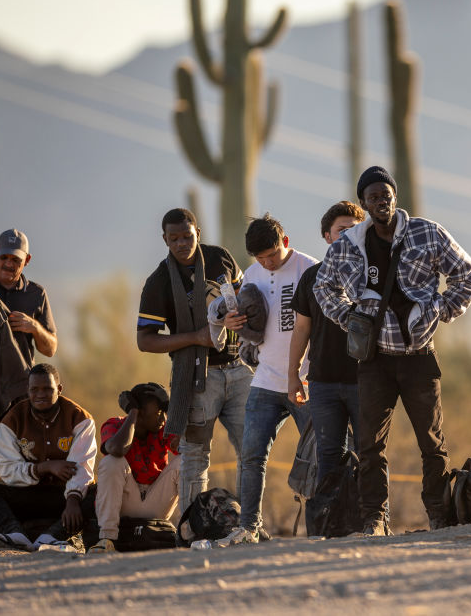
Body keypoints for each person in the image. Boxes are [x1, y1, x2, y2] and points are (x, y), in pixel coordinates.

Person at [314, 166, 471, 535]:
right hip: (375, 360)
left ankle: (438, 515)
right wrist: (349, 318)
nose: (381, 202)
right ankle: (374, 518)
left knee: (432, 443)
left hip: (420, 357)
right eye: (373, 197)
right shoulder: (347, 245)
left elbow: (468, 274)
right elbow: (323, 287)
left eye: (386, 195)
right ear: (363, 203)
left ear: (395, 197)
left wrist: (441, 309)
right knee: (370, 445)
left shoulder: (427, 233)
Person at [137, 208, 253, 512]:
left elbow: (245, 296)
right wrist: (196, 337)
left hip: (240, 368)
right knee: (195, 455)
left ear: (197, 234)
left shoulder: (220, 258)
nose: (181, 243)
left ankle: (249, 525)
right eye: (174, 238)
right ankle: (192, 527)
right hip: (198, 378)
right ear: (165, 239)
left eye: (187, 236)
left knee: (251, 450)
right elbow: (145, 340)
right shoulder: (159, 282)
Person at [217, 214, 317, 546]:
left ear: (284, 242)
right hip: (264, 381)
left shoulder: (309, 268)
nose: (267, 263)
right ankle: (249, 527)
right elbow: (246, 324)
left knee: (321, 454)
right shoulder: (252, 276)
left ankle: (325, 524)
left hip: (306, 381)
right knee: (251, 455)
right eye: (260, 258)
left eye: (272, 255)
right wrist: (232, 324)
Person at [288, 201, 364, 480]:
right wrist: (293, 375)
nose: (348, 236)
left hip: (366, 380)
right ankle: (329, 510)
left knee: (370, 454)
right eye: (341, 230)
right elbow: (301, 330)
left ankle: (374, 510)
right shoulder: (312, 277)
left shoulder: (375, 274)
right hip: (323, 383)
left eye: (355, 230)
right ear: (327, 236)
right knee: (328, 456)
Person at [0, 364, 96, 552]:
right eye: (34, 389)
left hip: (64, 497)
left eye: (47, 389)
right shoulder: (11, 420)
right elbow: (8, 471)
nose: (40, 395)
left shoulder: (80, 418)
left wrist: (73, 499)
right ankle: (14, 534)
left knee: (100, 492)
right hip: (26, 494)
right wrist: (44, 467)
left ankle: (52, 537)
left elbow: (82, 467)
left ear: (59, 389)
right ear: (27, 390)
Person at [0, 229, 58, 463]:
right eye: (4, 257)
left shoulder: (36, 294)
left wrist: (35, 327)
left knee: (24, 462)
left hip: (20, 393)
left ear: (26, 260)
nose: (9, 264)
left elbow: (50, 349)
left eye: (15, 259)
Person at [88, 382, 180, 554]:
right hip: (124, 505)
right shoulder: (114, 425)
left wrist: (171, 409)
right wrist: (133, 413)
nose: (163, 419)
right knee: (111, 461)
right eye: (159, 413)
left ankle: (189, 533)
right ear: (140, 413)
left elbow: (187, 447)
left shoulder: (163, 428)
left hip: (155, 504)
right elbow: (117, 449)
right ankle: (107, 538)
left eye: (165, 412)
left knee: (186, 461)